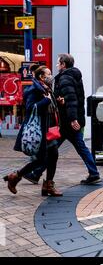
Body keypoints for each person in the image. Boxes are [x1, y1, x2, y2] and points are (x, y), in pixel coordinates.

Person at [24, 54, 101, 185]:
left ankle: (36, 173)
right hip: (68, 121)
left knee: (54, 149)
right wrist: (61, 101)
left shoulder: (65, 78)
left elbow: (71, 99)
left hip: (67, 122)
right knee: (74, 148)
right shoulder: (73, 76)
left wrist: (72, 119)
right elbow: (71, 98)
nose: (57, 65)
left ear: (63, 64)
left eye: (58, 63)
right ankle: (93, 173)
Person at [3, 66, 62, 196]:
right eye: (49, 74)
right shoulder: (34, 90)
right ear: (41, 76)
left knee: (53, 155)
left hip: (48, 129)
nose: (51, 76)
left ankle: (48, 185)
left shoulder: (46, 88)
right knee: (41, 160)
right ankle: (16, 176)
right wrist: (45, 101)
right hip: (39, 130)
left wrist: (57, 102)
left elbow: (49, 106)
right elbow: (30, 108)